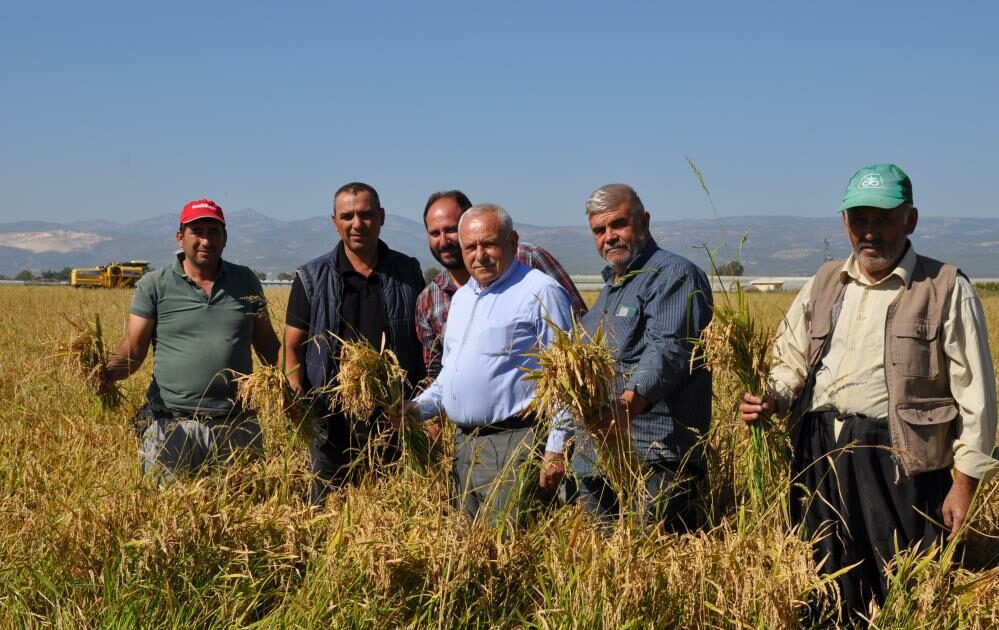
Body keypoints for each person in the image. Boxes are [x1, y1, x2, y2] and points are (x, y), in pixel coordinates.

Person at [739, 163, 997, 618]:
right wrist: (773, 397)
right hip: (821, 455)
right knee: (821, 581)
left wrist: (964, 485)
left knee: (899, 586)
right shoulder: (824, 283)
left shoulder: (945, 288)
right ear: (845, 224)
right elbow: (791, 360)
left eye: (883, 219)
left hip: (901, 464)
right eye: (860, 220)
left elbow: (977, 398)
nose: (870, 233)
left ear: (909, 220)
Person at [404, 203, 573, 524]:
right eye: (470, 246)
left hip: (513, 443)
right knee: (469, 550)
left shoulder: (539, 291)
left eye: (489, 244)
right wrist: (417, 408)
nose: (478, 254)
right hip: (463, 446)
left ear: (512, 242)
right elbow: (449, 376)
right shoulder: (465, 297)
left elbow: (565, 378)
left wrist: (556, 448)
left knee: (509, 547)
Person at [98, 199, 281, 481]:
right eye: (198, 231)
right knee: (168, 516)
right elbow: (133, 349)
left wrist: (294, 381)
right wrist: (107, 373)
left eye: (214, 231)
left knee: (246, 508)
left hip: (236, 424)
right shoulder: (155, 284)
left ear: (225, 238)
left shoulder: (245, 281)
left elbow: (267, 342)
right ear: (180, 237)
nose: (206, 240)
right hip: (172, 426)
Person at [574, 183, 713, 529]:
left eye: (618, 224)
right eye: (599, 230)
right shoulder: (611, 288)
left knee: (657, 564)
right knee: (607, 565)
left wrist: (628, 405)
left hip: (658, 457)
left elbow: (669, 349)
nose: (609, 237)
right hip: (601, 456)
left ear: (644, 221)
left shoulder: (674, 275)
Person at [284, 182, 425, 506]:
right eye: (347, 216)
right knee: (327, 516)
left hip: (395, 423)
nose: (357, 224)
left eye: (366, 215)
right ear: (334, 221)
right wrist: (296, 393)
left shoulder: (407, 272)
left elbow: (423, 342)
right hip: (330, 427)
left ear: (381, 217)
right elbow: (291, 346)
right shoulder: (311, 277)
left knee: (394, 516)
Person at [416, 189, 587, 379]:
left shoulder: (530, 261)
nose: (443, 241)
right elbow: (436, 371)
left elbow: (579, 335)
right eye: (434, 233)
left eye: (450, 230)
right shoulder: (431, 299)